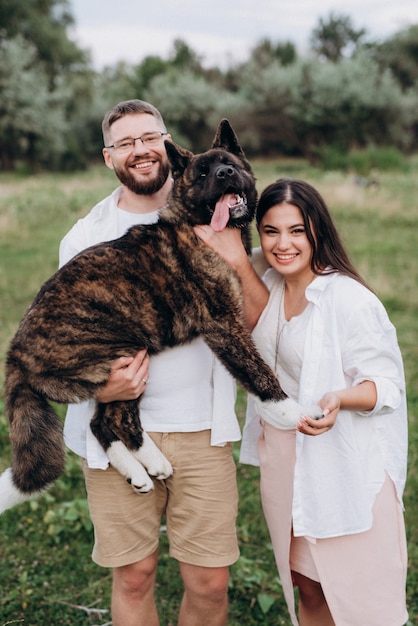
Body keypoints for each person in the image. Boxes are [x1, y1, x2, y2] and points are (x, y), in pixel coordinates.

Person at [59, 99, 243, 626]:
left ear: (167, 141)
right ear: (107, 157)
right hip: (117, 432)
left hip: (201, 429)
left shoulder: (212, 216)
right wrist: (100, 386)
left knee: (209, 581)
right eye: (125, 142)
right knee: (135, 574)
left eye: (149, 137)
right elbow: (66, 333)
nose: (140, 150)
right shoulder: (84, 237)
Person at [195, 178, 409, 625]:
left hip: (343, 464)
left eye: (297, 230)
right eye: (271, 230)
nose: (283, 243)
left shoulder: (349, 299)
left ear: (318, 232)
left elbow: (386, 385)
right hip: (285, 460)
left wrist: (339, 398)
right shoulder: (266, 282)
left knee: (360, 597)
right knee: (307, 588)